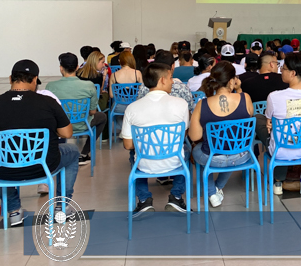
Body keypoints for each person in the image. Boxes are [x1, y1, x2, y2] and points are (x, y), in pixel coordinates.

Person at [0, 60, 79, 225]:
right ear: (35, 80)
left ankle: (14, 211)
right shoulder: (48, 103)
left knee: (0, 155)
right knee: (73, 152)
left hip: (4, 170)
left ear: (10, 79)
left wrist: (0, 135)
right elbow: (67, 132)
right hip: (43, 166)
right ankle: (61, 207)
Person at [122, 63, 190, 216]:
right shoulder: (181, 104)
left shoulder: (132, 108)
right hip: (174, 160)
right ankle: (176, 196)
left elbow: (127, 145)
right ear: (162, 80)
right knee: (186, 150)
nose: (173, 81)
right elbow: (182, 136)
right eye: (171, 78)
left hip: (145, 164)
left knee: (133, 155)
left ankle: (144, 200)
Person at [256, 54, 301, 195]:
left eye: (284, 68)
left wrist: (271, 125)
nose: (281, 70)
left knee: (258, 119)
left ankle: (278, 180)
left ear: (293, 73)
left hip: (280, 152)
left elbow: (269, 119)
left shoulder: (275, 96)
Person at [189, 62, 253, 207]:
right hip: (241, 156)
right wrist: (239, 89)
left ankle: (212, 192)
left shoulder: (202, 104)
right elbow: (249, 117)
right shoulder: (245, 98)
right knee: (231, 147)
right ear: (232, 80)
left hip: (213, 158)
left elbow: (194, 136)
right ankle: (217, 188)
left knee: (198, 151)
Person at [46, 52, 107, 165]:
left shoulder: (51, 86)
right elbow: (92, 112)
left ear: (61, 68)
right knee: (102, 116)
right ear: (77, 67)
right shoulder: (89, 85)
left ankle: (58, 152)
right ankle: (84, 153)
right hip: (82, 124)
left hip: (60, 127)